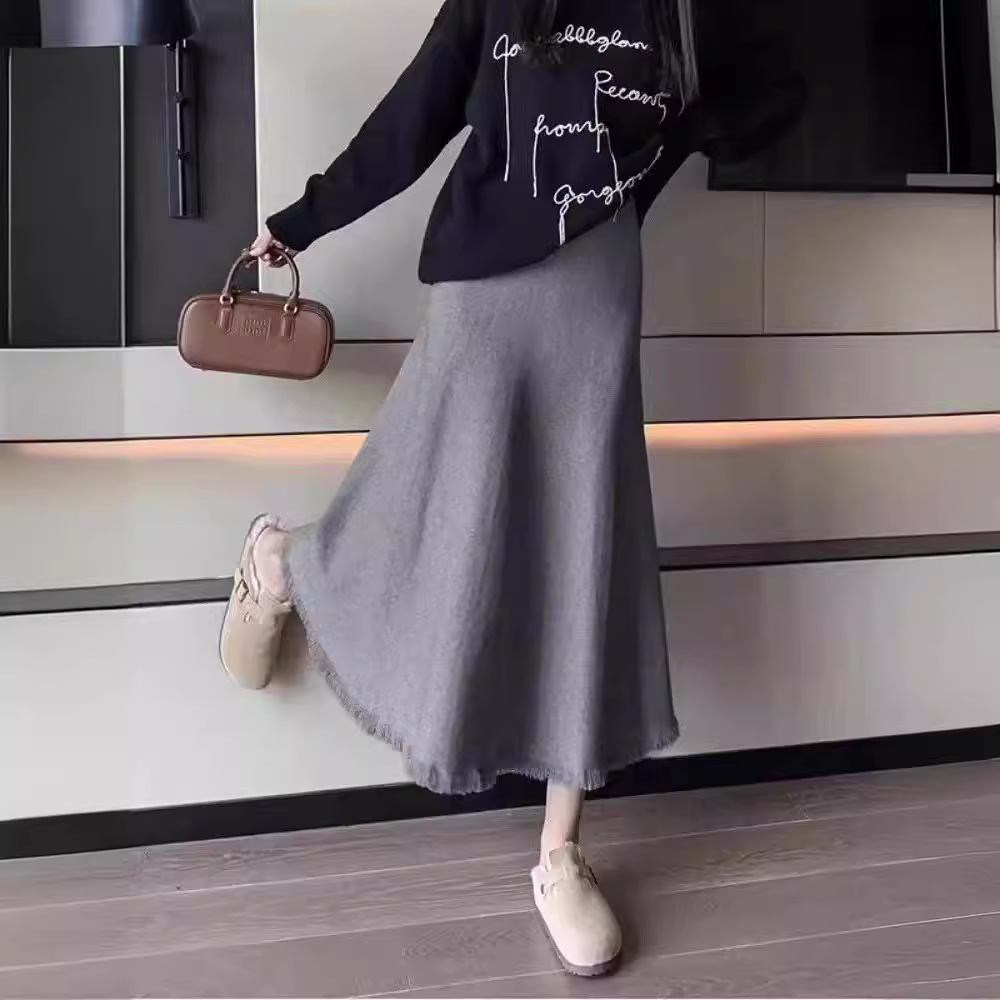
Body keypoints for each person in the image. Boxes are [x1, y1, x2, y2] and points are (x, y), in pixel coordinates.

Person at [221, 0, 802, 977]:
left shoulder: (682, 9)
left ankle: (560, 850)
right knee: (431, 511)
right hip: (483, 290)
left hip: (599, 294)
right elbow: (412, 118)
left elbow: (767, 96)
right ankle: (282, 561)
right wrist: (300, 221)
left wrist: (677, 142)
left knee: (583, 547)